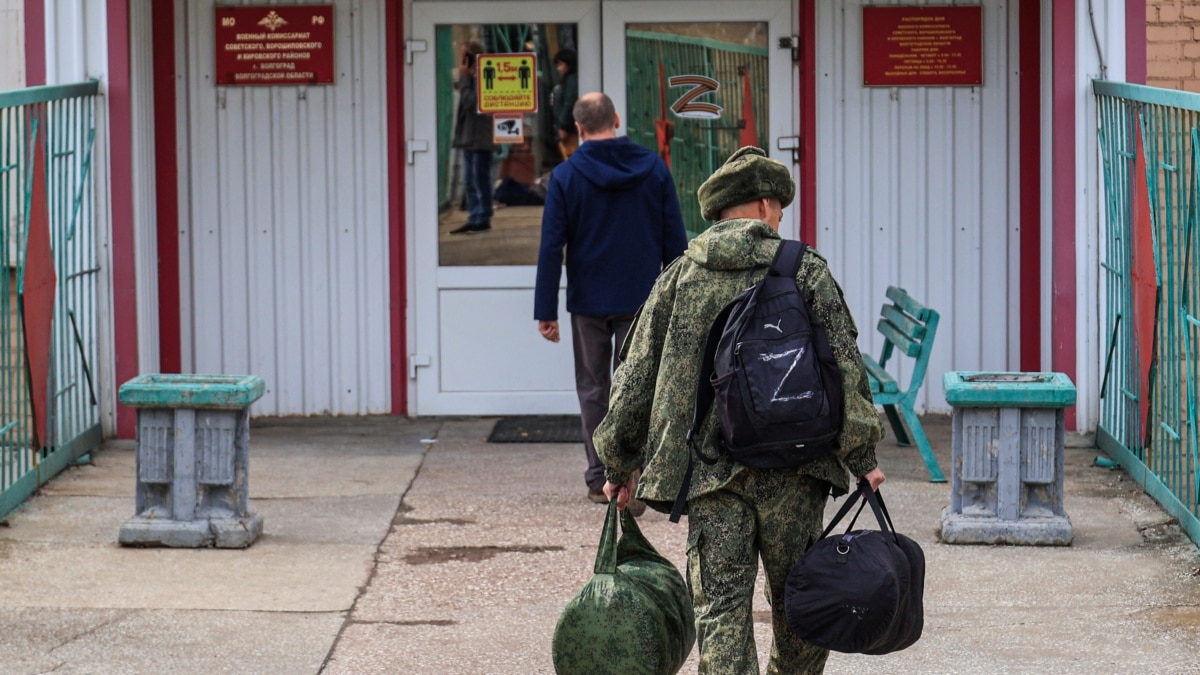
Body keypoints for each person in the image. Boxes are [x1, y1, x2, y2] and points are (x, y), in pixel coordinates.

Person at [593, 146, 886, 673]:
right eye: (778, 208)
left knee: (721, 610)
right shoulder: (806, 269)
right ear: (765, 205)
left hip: (709, 474)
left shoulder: (680, 276)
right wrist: (862, 454)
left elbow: (633, 377)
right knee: (800, 600)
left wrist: (619, 464)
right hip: (795, 470)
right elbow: (845, 367)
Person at [534, 91, 688, 513]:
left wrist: (545, 310)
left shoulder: (566, 176)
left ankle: (600, 476)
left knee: (593, 388)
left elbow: (552, 247)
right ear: (617, 119)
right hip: (641, 299)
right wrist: (676, 298)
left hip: (588, 300)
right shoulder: (652, 167)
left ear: (579, 129)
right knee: (639, 388)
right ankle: (634, 475)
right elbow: (674, 239)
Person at [450, 40, 496, 235]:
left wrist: (466, 80)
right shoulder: (471, 78)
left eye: (465, 57)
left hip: (480, 136)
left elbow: (471, 102)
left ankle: (482, 216)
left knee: (479, 178)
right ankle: (474, 216)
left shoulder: (484, 77)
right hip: (469, 136)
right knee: (469, 180)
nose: (462, 62)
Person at [549, 49, 579, 159]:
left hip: (569, 130)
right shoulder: (568, 80)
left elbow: (569, 103)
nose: (558, 68)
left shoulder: (571, 80)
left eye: (561, 64)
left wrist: (563, 126)